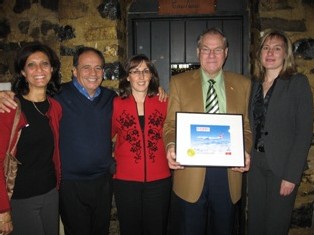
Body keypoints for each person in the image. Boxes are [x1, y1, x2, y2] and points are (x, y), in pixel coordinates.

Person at [163, 27, 252, 235]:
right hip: (190, 173)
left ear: (226, 52)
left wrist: (245, 151)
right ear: (197, 52)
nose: (211, 55)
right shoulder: (179, 83)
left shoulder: (243, 84)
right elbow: (170, 125)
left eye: (217, 49)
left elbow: (246, 128)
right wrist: (170, 145)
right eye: (206, 49)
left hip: (228, 175)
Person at [247, 29, 313, 235]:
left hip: (282, 168)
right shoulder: (254, 84)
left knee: (276, 225)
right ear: (260, 53)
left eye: (277, 48)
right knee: (255, 223)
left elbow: (304, 133)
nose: (270, 52)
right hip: (255, 165)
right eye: (266, 48)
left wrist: (292, 176)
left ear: (286, 54)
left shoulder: (298, 83)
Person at [0, 42, 62, 235]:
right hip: (21, 198)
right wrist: (3, 211)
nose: (39, 70)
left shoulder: (55, 107)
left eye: (44, 63)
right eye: (31, 65)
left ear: (52, 69)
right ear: (23, 72)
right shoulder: (9, 108)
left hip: (51, 193)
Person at [112, 54, 171, 235]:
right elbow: (106, 135)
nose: (141, 76)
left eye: (146, 71)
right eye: (135, 71)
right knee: (130, 229)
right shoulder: (115, 104)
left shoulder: (164, 102)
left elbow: (173, 131)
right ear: (127, 76)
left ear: (152, 76)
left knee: (157, 228)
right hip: (125, 181)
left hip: (159, 180)